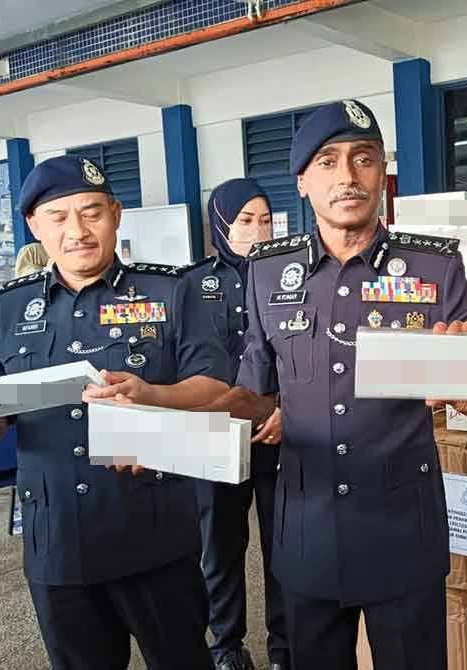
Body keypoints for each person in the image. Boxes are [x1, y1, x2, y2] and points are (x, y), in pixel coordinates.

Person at [0, 155, 269, 670]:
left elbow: (213, 382)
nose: (78, 231)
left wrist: (151, 394)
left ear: (115, 214)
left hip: (153, 530)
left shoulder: (168, 291)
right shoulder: (11, 306)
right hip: (56, 540)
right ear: (34, 226)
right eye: (59, 217)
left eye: (91, 212)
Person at [235, 99, 467, 670]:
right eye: (328, 162)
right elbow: (254, 386)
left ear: (381, 174)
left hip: (401, 533)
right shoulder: (268, 272)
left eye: (363, 159)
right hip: (305, 530)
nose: (346, 176)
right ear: (303, 182)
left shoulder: (434, 268)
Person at [179, 178, 288, 670]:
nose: (257, 231)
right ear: (220, 223)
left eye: (265, 220)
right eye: (245, 221)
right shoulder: (191, 284)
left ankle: (285, 645)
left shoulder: (294, 274)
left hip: (275, 432)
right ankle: (226, 645)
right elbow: (185, 364)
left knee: (282, 546)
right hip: (216, 434)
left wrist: (284, 406)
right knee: (220, 548)